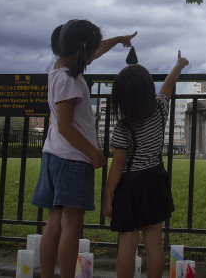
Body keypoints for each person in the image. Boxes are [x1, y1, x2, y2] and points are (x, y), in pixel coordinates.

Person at [31, 19, 137, 278]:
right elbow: (67, 127)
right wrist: (94, 154)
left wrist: (118, 39)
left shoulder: (58, 69)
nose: (93, 57)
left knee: (53, 223)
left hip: (53, 156)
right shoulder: (69, 80)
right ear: (81, 51)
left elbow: (95, 51)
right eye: (91, 51)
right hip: (73, 160)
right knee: (71, 226)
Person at [102, 51, 189, 278]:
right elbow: (168, 84)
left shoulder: (123, 127)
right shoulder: (160, 110)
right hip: (154, 179)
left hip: (129, 185)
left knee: (127, 241)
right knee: (154, 240)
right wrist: (179, 64)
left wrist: (108, 193)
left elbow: (117, 166)